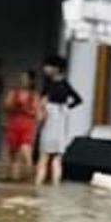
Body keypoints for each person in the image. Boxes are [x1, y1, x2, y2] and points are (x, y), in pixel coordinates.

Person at [35, 54, 83, 186]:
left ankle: (38, 185)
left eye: (48, 66)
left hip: (51, 120)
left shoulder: (49, 85)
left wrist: (44, 110)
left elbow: (41, 103)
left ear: (56, 68)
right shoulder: (65, 84)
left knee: (43, 157)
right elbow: (78, 100)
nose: (45, 68)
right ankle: (55, 186)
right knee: (57, 158)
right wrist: (66, 107)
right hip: (61, 121)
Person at [2, 69, 39, 181]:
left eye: (26, 78)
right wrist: (14, 106)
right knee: (13, 154)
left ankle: (30, 178)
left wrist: (26, 109)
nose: (23, 81)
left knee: (25, 152)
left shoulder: (34, 95)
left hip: (27, 125)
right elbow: (6, 107)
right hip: (14, 124)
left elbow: (36, 112)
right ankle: (13, 179)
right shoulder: (13, 93)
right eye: (22, 78)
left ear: (31, 81)